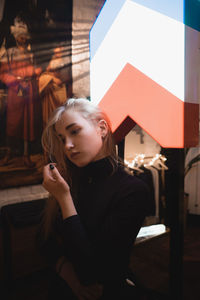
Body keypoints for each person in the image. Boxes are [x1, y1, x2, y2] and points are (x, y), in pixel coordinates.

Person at [39, 98, 151, 300]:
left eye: (74, 131)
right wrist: (71, 278)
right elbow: (44, 240)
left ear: (102, 128)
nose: (68, 145)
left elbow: (93, 271)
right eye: (62, 138)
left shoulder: (132, 191)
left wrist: (65, 199)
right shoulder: (69, 180)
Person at [0, 16, 42, 168]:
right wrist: (16, 84)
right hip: (16, 89)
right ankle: (9, 153)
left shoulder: (31, 54)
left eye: (24, 36)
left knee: (28, 122)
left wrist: (36, 73)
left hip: (29, 89)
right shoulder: (9, 52)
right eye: (20, 36)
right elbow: (3, 72)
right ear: (16, 37)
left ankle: (26, 154)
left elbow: (36, 71)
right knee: (14, 122)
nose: (22, 38)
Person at [38, 45, 68, 130]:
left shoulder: (64, 62)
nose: (56, 54)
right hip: (51, 89)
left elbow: (63, 78)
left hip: (59, 89)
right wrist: (50, 78)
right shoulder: (54, 60)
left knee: (59, 114)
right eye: (55, 52)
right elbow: (48, 71)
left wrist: (53, 78)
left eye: (58, 52)